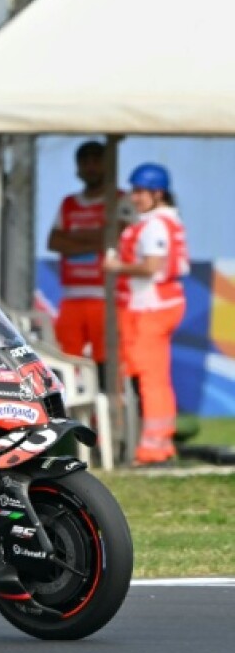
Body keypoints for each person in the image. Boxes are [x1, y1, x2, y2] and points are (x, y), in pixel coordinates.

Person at [104, 162, 188, 466]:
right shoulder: (157, 220)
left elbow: (152, 266)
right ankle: (155, 442)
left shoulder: (155, 225)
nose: (134, 197)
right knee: (148, 376)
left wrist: (117, 268)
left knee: (151, 379)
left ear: (158, 192)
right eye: (134, 190)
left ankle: (155, 447)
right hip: (149, 306)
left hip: (151, 307)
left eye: (140, 191)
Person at [46, 141, 133, 375]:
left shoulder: (122, 200)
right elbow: (54, 242)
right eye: (85, 162)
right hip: (72, 296)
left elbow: (120, 236)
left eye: (96, 161)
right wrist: (100, 238)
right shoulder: (69, 203)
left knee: (109, 363)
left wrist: (74, 240)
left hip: (108, 296)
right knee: (68, 362)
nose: (91, 167)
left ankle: (110, 409)